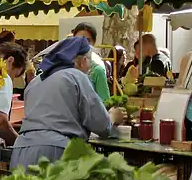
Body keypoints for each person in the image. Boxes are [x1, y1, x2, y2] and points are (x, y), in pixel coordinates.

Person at [10, 37, 125, 169]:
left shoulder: (34, 83)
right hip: (55, 151)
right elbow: (101, 125)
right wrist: (112, 117)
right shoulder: (77, 77)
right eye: (90, 63)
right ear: (83, 61)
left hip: (21, 150)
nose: (90, 69)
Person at [72, 22, 110, 101]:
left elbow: (105, 103)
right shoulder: (64, 67)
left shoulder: (98, 71)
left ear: (94, 42)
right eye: (78, 40)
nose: (82, 44)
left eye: (87, 40)